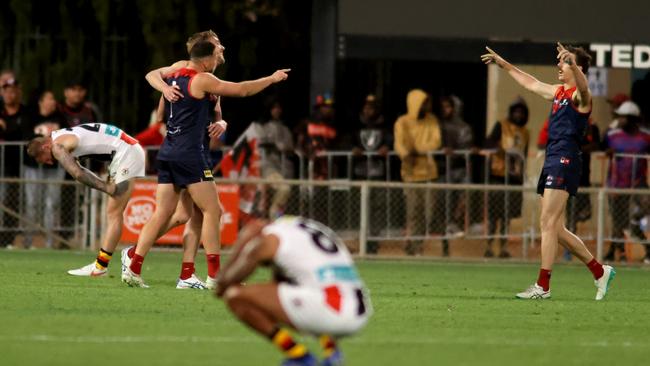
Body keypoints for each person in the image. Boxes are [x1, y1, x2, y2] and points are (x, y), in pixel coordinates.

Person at [122, 37, 289, 288]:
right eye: (218, 46)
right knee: (214, 211)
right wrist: (271, 79)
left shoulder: (178, 73)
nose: (222, 48)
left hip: (169, 152)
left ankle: (140, 266)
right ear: (208, 55)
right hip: (191, 154)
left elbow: (160, 115)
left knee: (179, 214)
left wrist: (220, 122)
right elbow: (242, 90)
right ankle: (215, 276)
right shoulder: (202, 79)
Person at [481, 43, 614, 300]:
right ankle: (600, 271)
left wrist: (574, 64)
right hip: (553, 158)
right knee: (557, 228)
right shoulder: (558, 92)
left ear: (579, 68)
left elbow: (585, 88)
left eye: (565, 62)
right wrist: (504, 63)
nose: (560, 66)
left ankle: (543, 286)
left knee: (548, 224)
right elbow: (530, 82)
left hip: (565, 159)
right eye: (563, 61)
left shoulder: (580, 97)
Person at [215, 216, 372, 366]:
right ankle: (332, 350)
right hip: (360, 310)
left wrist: (242, 242)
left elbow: (228, 282)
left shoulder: (273, 236)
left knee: (236, 296)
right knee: (295, 294)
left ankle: (299, 356)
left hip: (333, 310)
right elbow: (281, 283)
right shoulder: (307, 230)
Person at [26, 123, 145, 275]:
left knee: (114, 214)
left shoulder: (57, 146)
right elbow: (81, 168)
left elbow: (77, 174)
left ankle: (104, 266)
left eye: (45, 160)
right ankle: (109, 263)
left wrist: (105, 187)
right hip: (126, 150)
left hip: (126, 153)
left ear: (44, 147)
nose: (50, 163)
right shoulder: (59, 135)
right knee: (114, 213)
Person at [538, 117, 600, 261]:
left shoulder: (589, 123)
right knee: (554, 224)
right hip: (554, 168)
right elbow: (541, 142)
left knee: (552, 223)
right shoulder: (554, 119)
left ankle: (543, 282)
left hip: (574, 173)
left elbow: (595, 144)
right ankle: (599, 270)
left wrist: (573, 148)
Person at [394, 89, 442, 256]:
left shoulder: (432, 120)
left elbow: (435, 143)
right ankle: (416, 246)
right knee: (414, 213)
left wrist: (417, 150)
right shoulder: (402, 122)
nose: (426, 106)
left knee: (430, 213)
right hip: (411, 174)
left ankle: (415, 242)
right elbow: (400, 145)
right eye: (423, 103)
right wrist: (408, 154)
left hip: (429, 173)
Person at [601, 101, 650, 263]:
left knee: (645, 207)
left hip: (638, 182)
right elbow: (601, 146)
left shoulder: (646, 136)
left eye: (623, 117)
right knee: (617, 220)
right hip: (617, 183)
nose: (620, 120)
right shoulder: (612, 134)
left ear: (632, 118)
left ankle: (637, 228)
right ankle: (613, 251)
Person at [484, 97, 529, 258]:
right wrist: (502, 151)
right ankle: (488, 246)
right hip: (498, 174)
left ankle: (502, 247)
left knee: (506, 217)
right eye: (516, 111)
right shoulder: (501, 126)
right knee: (493, 216)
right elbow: (489, 142)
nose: (518, 115)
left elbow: (524, 155)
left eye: (521, 112)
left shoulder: (525, 132)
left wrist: (522, 176)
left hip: (514, 179)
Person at [21, 90, 67, 249]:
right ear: (41, 101)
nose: (53, 101)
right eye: (50, 98)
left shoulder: (60, 117)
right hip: (32, 167)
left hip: (55, 167)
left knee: (51, 204)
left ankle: (49, 242)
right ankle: (28, 242)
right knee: (32, 203)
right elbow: (26, 139)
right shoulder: (31, 116)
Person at [352, 94, 392, 254]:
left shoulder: (384, 125)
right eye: (367, 107)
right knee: (361, 207)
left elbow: (390, 140)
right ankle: (362, 240)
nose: (369, 110)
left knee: (378, 207)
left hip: (378, 172)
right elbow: (348, 140)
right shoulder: (356, 124)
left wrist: (388, 147)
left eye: (372, 107)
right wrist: (352, 148)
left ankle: (374, 240)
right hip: (360, 172)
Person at [257, 98, 295, 219]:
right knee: (284, 188)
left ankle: (275, 216)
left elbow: (290, 147)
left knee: (285, 191)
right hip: (268, 167)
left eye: (279, 108)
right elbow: (259, 143)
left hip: (283, 168)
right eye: (274, 108)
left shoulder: (285, 128)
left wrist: (280, 147)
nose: (277, 110)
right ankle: (274, 215)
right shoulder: (262, 127)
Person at [0, 76, 26, 247]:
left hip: (17, 165)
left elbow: (23, 135)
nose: (10, 95)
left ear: (18, 92)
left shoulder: (26, 112)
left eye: (13, 91)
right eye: (7, 91)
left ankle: (7, 240)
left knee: (12, 202)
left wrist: (5, 130)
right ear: (3, 93)